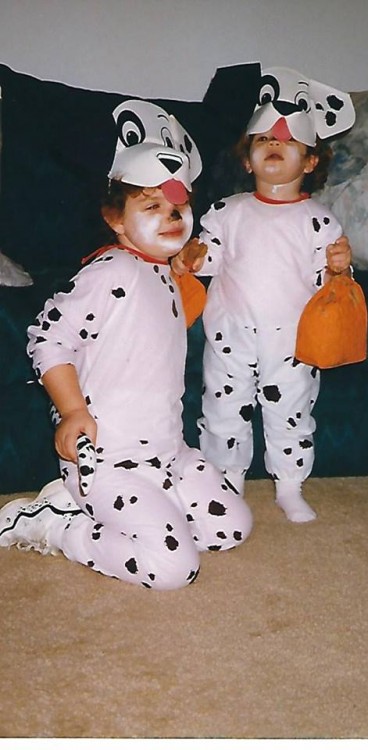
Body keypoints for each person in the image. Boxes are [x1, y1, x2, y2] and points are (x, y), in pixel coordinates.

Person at [0, 105, 252, 589]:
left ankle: (151, 513)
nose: (170, 217)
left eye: (177, 207)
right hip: (108, 460)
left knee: (230, 528)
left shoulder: (157, 271)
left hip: (168, 452)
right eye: (150, 206)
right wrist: (71, 411)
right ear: (115, 219)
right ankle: (58, 523)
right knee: (174, 569)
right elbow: (48, 335)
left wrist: (180, 268)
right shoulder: (111, 271)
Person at [172, 67, 355, 524]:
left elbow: (334, 284)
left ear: (310, 163)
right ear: (248, 161)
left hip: (293, 341)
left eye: (290, 142)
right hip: (231, 331)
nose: (275, 145)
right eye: (263, 141)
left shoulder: (319, 220)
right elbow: (207, 257)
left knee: (291, 412)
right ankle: (226, 480)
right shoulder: (228, 212)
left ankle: (289, 485)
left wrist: (339, 267)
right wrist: (192, 255)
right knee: (222, 407)